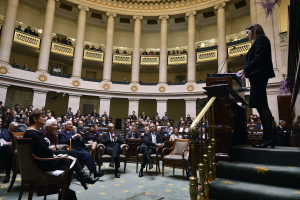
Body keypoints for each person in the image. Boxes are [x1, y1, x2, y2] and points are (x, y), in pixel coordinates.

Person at [23, 111, 99, 192]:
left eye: (45, 116)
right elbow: (46, 151)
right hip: (43, 162)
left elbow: (51, 144)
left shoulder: (37, 132)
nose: (45, 118)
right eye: (43, 116)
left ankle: (73, 184)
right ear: (34, 119)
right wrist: (51, 148)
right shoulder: (32, 133)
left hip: (46, 158)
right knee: (70, 160)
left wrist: (52, 147)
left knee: (71, 154)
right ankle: (75, 183)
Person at [238, 23, 276, 148]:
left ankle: (268, 137)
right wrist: (247, 71)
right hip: (256, 76)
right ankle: (267, 137)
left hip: (259, 76)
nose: (247, 35)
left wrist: (245, 70)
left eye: (247, 32)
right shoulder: (259, 41)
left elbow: (259, 58)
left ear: (254, 30)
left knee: (262, 105)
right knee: (260, 106)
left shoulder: (261, 39)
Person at [0, 118, 13, 183]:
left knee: (8, 148)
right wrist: (2, 143)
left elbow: (11, 138)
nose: (0, 123)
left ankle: (7, 175)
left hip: (5, 150)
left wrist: (9, 143)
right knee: (8, 149)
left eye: (1, 121)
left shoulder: (5, 130)